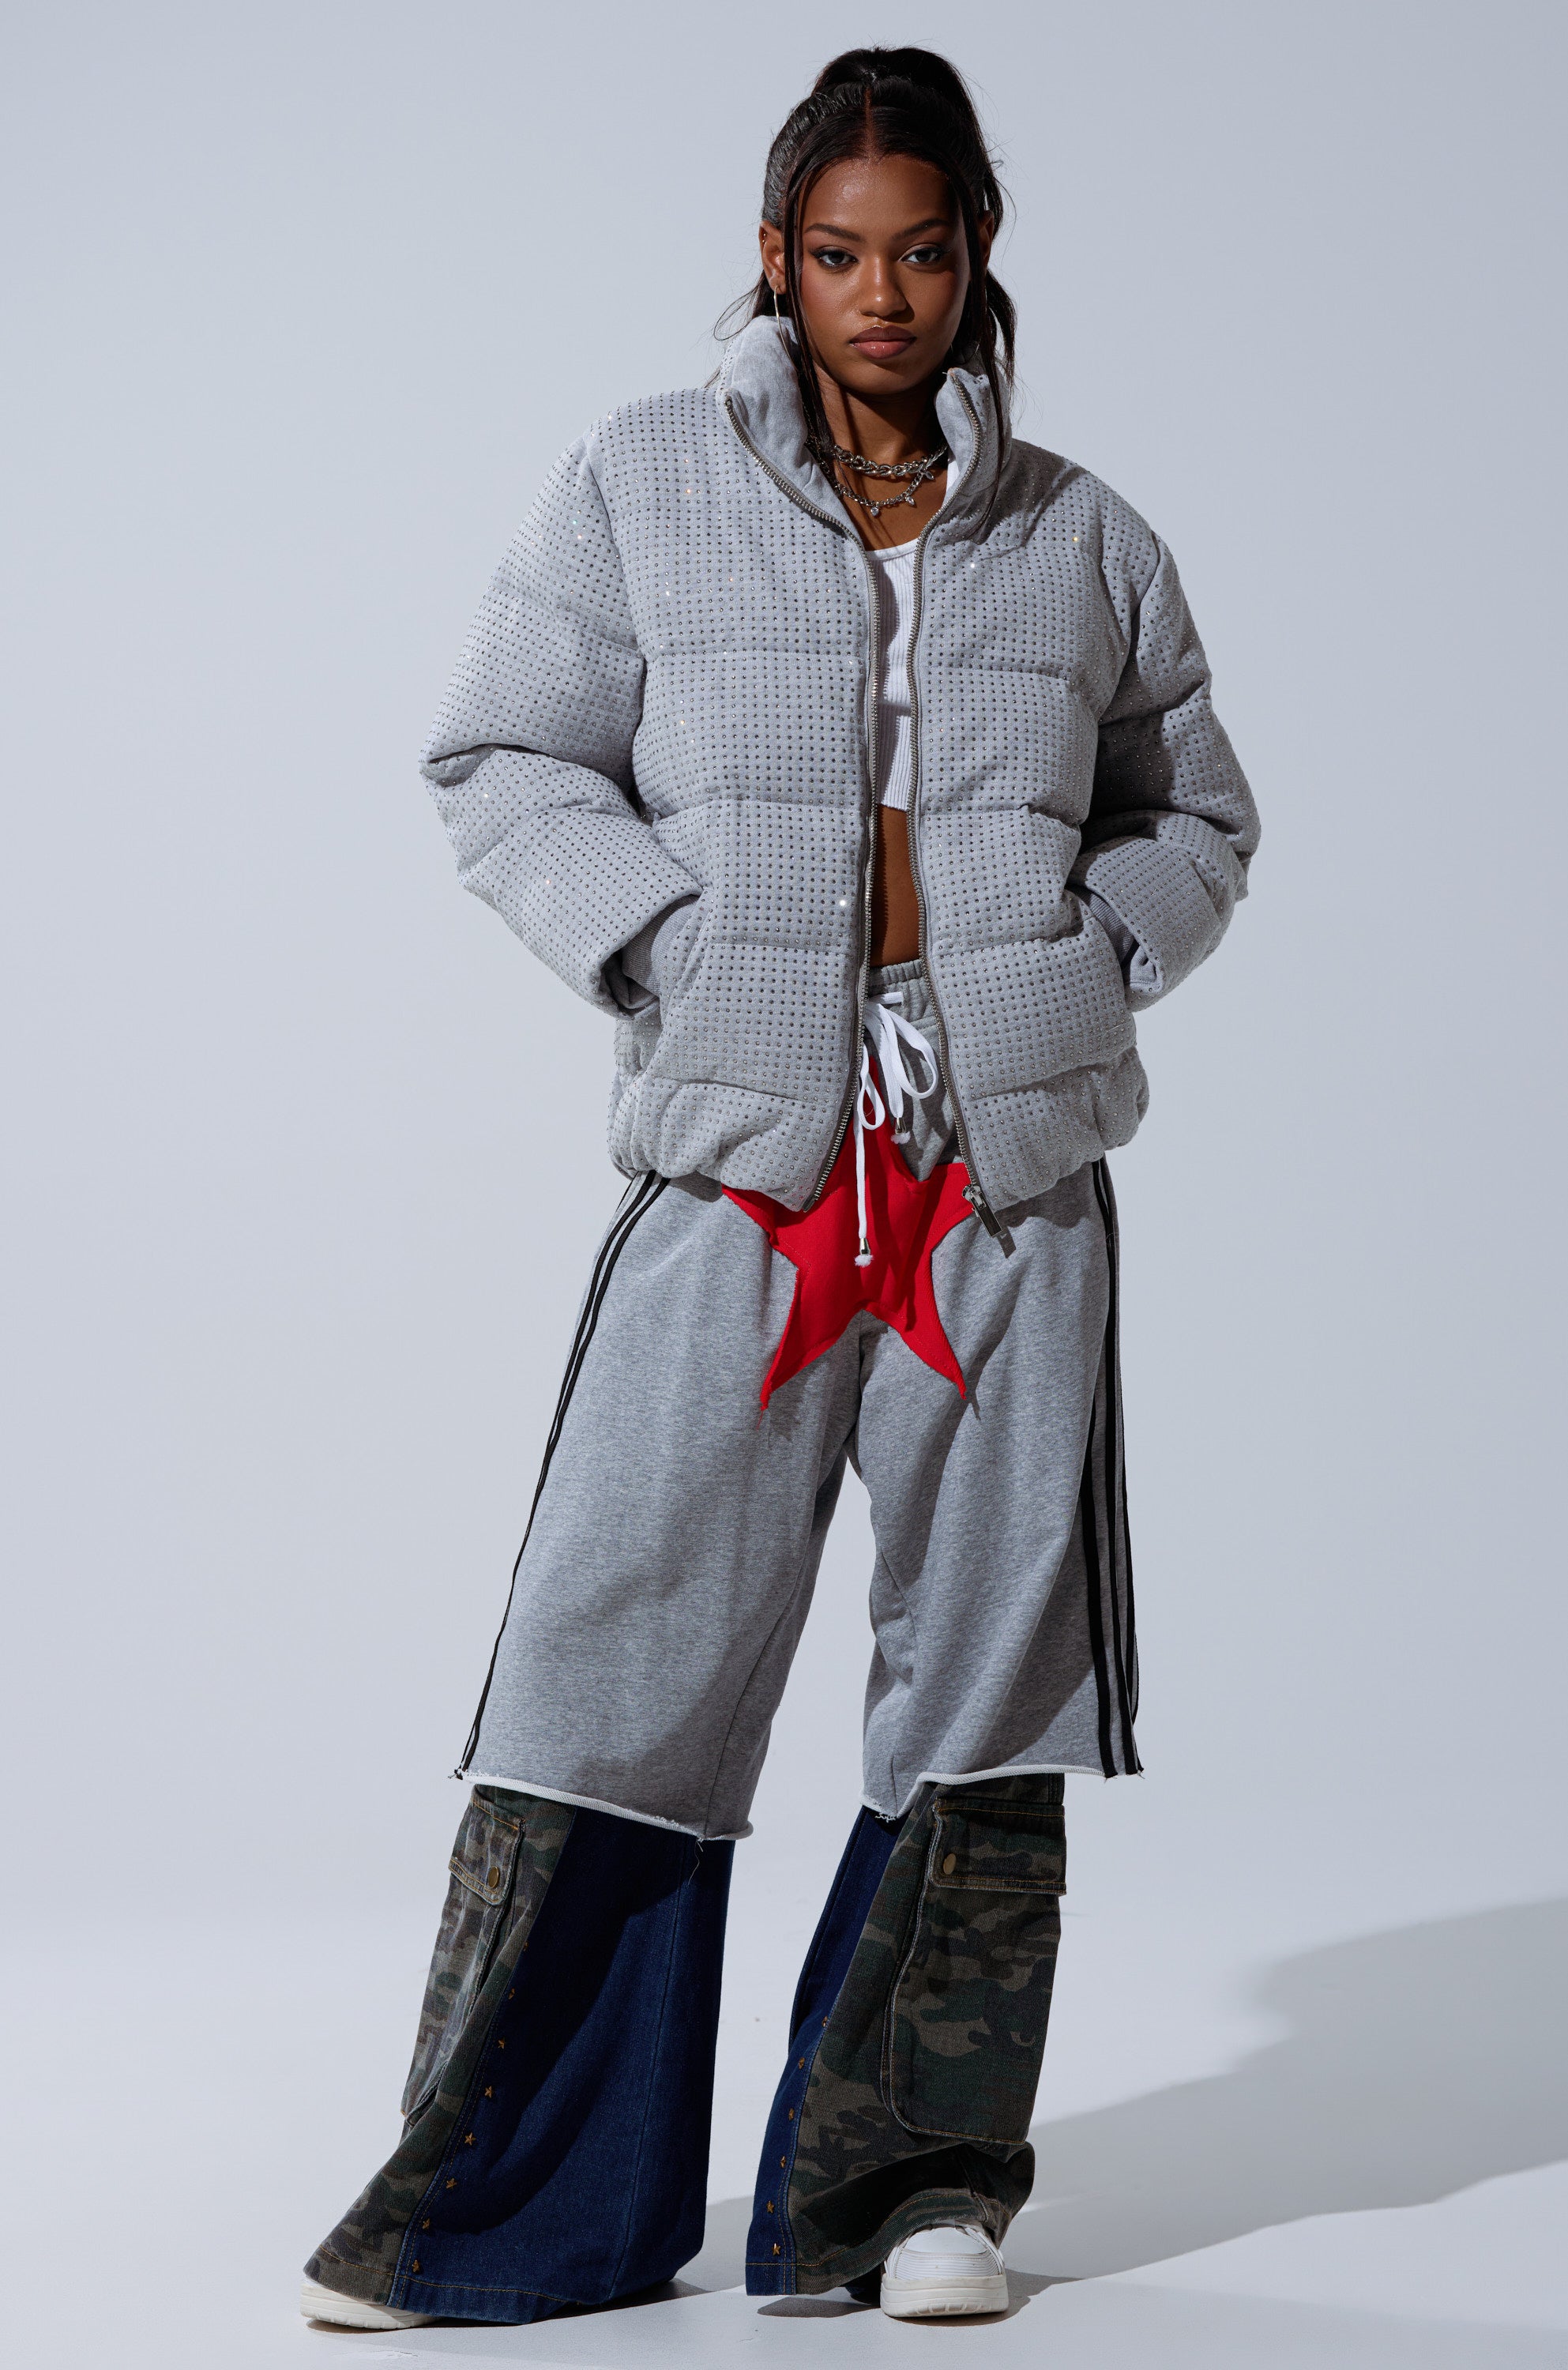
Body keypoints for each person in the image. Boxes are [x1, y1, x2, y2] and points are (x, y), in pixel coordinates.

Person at [302, 44, 1258, 2332]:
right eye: (838, 255)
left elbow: (1193, 809)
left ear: (973, 260)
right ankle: (512, 2209)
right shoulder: (640, 487)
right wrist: (666, 948)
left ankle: (906, 2195)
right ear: (773, 258)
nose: (881, 295)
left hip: (999, 1170)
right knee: (613, 1653)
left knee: (989, 1675)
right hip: (742, 1155)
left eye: (921, 253)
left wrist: (1071, 973)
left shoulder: (1081, 531)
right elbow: (502, 755)